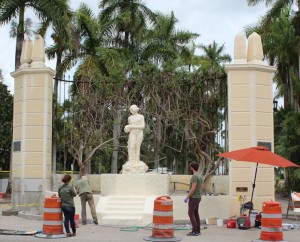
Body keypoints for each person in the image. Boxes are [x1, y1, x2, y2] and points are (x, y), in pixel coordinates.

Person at [184, 162, 202, 236]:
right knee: (195, 213)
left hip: (194, 198)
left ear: (192, 168)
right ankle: (198, 230)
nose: (189, 168)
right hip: (198, 197)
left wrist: (187, 196)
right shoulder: (200, 176)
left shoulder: (194, 177)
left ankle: (194, 231)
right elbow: (198, 187)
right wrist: (190, 190)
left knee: (191, 213)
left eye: (190, 167)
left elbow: (194, 188)